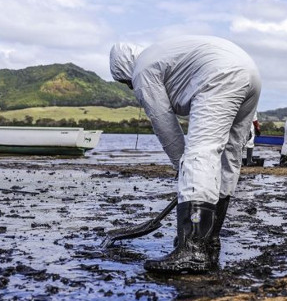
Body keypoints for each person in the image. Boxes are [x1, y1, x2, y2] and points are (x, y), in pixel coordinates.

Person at [109, 36, 262, 274]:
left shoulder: (142, 70)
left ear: (125, 69)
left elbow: (165, 126)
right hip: (250, 72)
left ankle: (193, 249)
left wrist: (185, 169)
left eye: (125, 82)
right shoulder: (159, 54)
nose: (130, 87)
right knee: (228, 157)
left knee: (200, 153)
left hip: (220, 74)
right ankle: (208, 240)